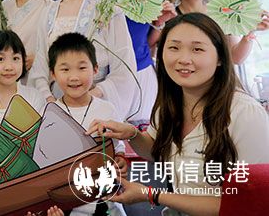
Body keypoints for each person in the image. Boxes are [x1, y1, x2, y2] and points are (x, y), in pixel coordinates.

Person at [88, 13, 269, 216]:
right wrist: (132, 134)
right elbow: (158, 150)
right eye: (174, 48)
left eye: (197, 49)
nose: (183, 59)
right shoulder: (171, 104)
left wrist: (152, 194)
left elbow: (247, 204)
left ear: (220, 58)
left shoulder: (245, 113)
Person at [30, 0, 139, 120]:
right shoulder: (48, 13)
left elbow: (124, 67)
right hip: (57, 104)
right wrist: (49, 99)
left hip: (97, 102)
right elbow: (40, 66)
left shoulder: (108, 10)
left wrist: (90, 97)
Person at [92, 0, 174, 123]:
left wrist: (160, 22)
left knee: (141, 130)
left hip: (141, 71)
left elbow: (147, 40)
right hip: (104, 78)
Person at [48, 32, 127, 216]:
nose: (74, 77)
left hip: (106, 202)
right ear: (53, 73)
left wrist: (121, 160)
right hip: (69, 204)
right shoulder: (50, 115)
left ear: (95, 69)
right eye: (65, 70)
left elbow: (118, 147)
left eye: (82, 68)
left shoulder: (107, 109)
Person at [172, 0, 269, 65]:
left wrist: (250, 32)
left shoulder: (222, 13)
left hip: (219, 74)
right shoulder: (169, 17)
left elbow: (236, 58)